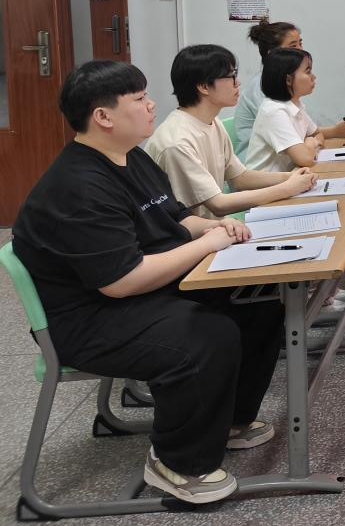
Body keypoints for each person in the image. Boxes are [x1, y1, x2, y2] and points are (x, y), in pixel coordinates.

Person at [12, 60, 283, 505]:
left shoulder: (131, 156)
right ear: (103, 116)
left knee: (258, 299)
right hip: (89, 320)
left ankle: (229, 421)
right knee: (205, 335)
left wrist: (211, 228)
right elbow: (121, 282)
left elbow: (173, 217)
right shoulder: (79, 186)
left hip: (137, 292)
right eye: (139, 99)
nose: (152, 105)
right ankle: (177, 464)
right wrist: (207, 242)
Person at [146, 44, 316, 218]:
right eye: (231, 76)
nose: (238, 82)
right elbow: (218, 205)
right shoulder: (177, 142)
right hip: (199, 232)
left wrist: (289, 177)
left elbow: (240, 178)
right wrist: (287, 188)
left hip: (220, 227)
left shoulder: (212, 122)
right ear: (204, 87)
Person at [234, 18, 345, 152]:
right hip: (258, 160)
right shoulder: (264, 88)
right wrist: (333, 132)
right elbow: (293, 135)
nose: (300, 50)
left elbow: (306, 131)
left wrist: (327, 134)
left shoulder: (284, 85)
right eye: (293, 46)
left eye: (300, 43)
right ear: (273, 54)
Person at [243, 48, 325, 173]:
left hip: (291, 176)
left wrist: (310, 144)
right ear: (288, 80)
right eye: (308, 72)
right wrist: (310, 144)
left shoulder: (294, 104)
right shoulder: (274, 111)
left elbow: (317, 134)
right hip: (267, 183)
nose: (313, 77)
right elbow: (306, 159)